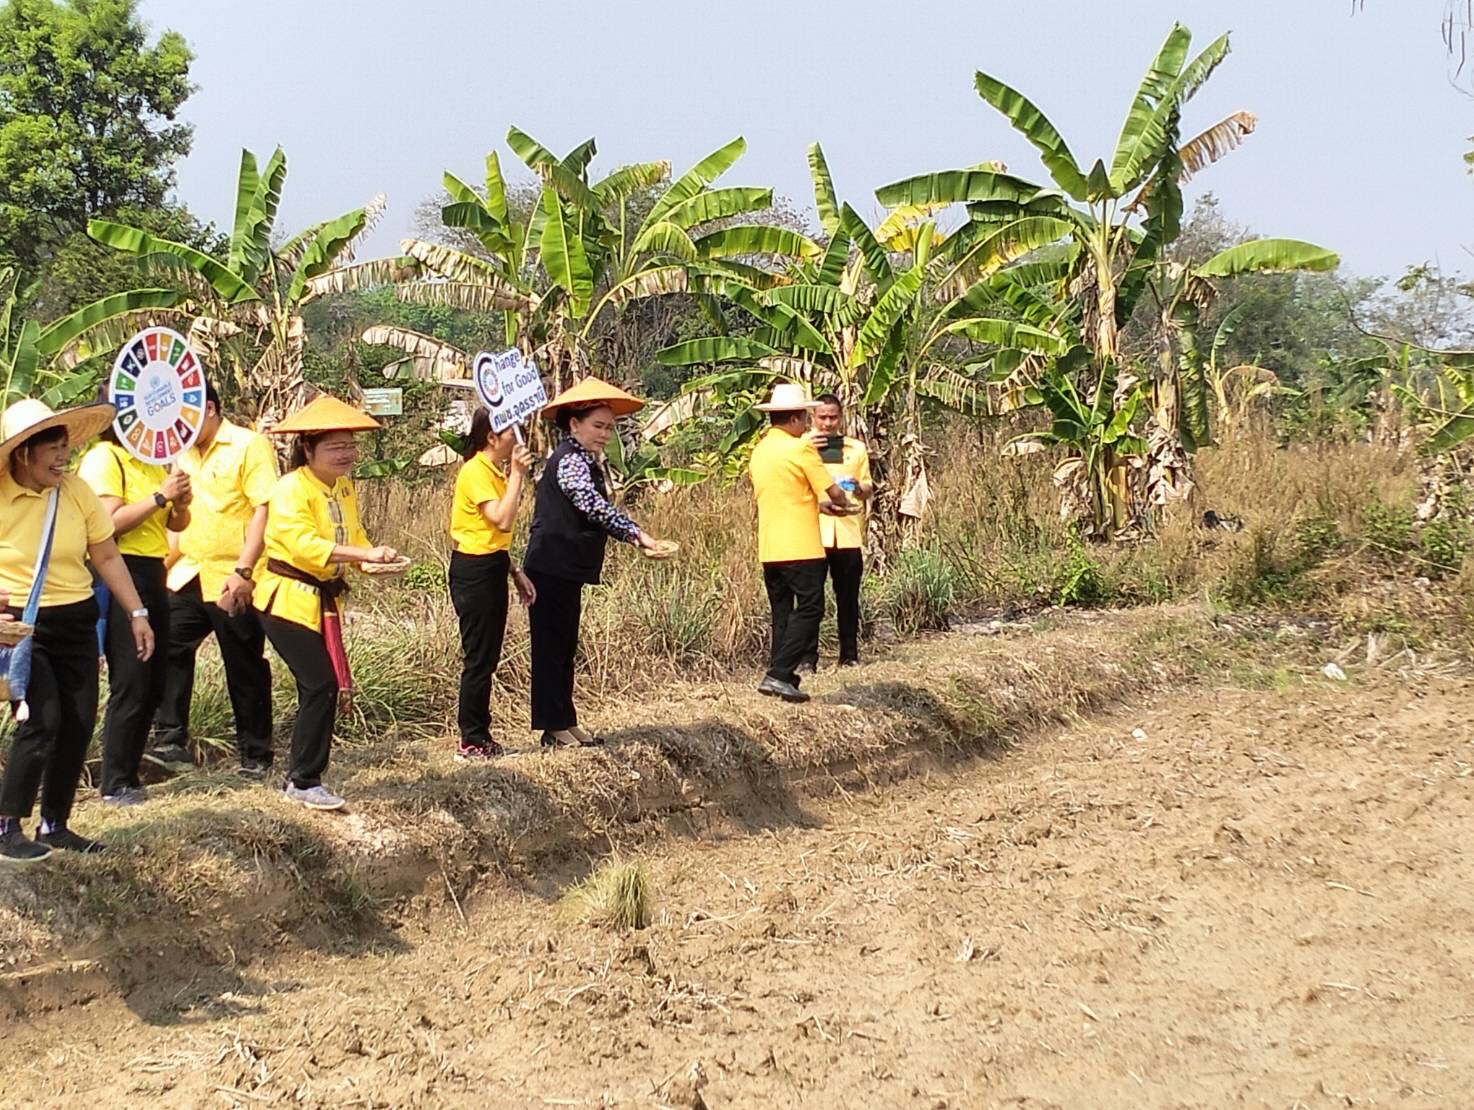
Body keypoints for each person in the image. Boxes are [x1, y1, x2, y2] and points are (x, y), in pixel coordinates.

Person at [0, 398, 156, 861]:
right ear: (22, 452)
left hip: (77, 617)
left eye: (65, 446)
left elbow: (106, 555)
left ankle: (56, 823)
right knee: (41, 720)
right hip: (22, 625)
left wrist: (137, 613)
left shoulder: (77, 492)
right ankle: (7, 824)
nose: (62, 456)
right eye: (52, 447)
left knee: (79, 721)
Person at [256, 396, 399, 810]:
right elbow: (303, 546)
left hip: (318, 598)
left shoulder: (343, 487)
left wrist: (376, 562)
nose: (346, 454)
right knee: (319, 683)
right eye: (335, 447)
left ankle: (304, 777)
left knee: (320, 685)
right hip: (285, 598)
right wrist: (363, 557)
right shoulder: (289, 489)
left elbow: (353, 539)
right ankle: (303, 780)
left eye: (350, 446)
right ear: (308, 449)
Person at [523, 377, 668, 749]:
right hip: (550, 564)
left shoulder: (584, 459)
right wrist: (636, 535)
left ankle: (565, 721)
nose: (605, 435)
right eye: (598, 426)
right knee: (552, 647)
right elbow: (590, 504)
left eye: (609, 428)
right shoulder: (570, 460)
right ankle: (553, 726)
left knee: (564, 645)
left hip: (565, 566)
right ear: (574, 425)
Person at [151, 384, 277, 777]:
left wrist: (244, 569)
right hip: (188, 570)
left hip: (232, 574)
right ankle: (171, 742)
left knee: (243, 663)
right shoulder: (180, 454)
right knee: (168, 648)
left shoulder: (248, 445)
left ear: (208, 408)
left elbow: (264, 508)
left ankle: (256, 755)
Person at [78, 408, 192, 807]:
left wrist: (178, 502)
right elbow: (106, 525)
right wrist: (159, 495)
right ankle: (114, 780)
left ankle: (129, 775)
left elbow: (175, 526)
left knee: (153, 677)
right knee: (131, 677)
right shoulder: (105, 458)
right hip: (119, 569)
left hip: (154, 569)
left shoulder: (152, 460)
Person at [747, 383, 852, 704]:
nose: (808, 424)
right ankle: (778, 675)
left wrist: (817, 504)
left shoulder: (760, 451)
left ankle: (781, 670)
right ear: (794, 419)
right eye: (805, 417)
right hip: (801, 545)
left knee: (782, 611)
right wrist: (842, 502)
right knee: (810, 608)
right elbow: (830, 489)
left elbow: (787, 494)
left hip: (770, 546)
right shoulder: (800, 448)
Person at [448, 407, 537, 760]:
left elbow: (492, 536)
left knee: (487, 656)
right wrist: (517, 473)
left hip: (492, 564)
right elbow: (499, 520)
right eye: (511, 431)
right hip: (474, 570)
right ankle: (471, 739)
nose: (518, 437)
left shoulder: (492, 472)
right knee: (479, 658)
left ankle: (480, 734)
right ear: (491, 437)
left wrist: (514, 571)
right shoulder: (476, 471)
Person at [798, 393, 874, 671]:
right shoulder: (801, 447)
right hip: (813, 531)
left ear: (841, 418)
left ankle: (849, 655)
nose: (828, 423)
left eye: (833, 417)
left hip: (848, 530)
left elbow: (868, 487)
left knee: (848, 597)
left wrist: (857, 486)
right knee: (811, 598)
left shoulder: (856, 448)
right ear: (813, 418)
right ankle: (807, 658)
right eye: (822, 418)